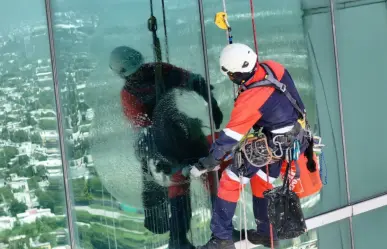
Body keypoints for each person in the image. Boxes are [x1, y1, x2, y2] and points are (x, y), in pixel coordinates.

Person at [195, 43, 322, 249]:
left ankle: (222, 239)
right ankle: (266, 233)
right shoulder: (273, 67)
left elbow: (230, 137)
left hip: (275, 143)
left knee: (230, 179)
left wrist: (211, 159)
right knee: (262, 179)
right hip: (295, 137)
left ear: (236, 75)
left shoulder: (251, 98)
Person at [109, 46, 224, 249]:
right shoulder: (131, 95)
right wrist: (162, 160)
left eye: (139, 68)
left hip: (182, 131)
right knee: (180, 187)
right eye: (134, 72)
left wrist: (211, 103)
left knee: (209, 177)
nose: (139, 72)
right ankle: (179, 241)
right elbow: (144, 130)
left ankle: (220, 231)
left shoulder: (160, 70)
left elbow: (194, 81)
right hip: (165, 143)